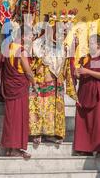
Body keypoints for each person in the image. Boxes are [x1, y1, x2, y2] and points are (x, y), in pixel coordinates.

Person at [29, 11, 78, 145]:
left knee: (54, 109)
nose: (63, 34)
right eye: (61, 31)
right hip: (41, 81)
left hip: (57, 83)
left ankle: (51, 134)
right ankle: (37, 133)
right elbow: (33, 62)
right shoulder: (40, 43)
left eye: (65, 33)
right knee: (40, 107)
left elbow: (66, 66)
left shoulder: (64, 47)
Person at [73, 34, 100, 158]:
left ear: (98, 45)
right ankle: (84, 148)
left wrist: (87, 71)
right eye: (88, 43)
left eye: (91, 43)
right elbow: (80, 73)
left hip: (99, 93)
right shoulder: (85, 59)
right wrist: (77, 74)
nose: (89, 45)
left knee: (99, 121)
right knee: (84, 120)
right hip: (84, 92)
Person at [0, 22, 36, 159]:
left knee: (11, 117)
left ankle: (10, 149)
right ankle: (15, 149)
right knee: (19, 117)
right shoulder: (21, 51)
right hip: (19, 87)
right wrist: (35, 84)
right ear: (24, 36)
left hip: (10, 86)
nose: (31, 38)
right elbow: (28, 72)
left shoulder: (7, 48)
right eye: (30, 36)